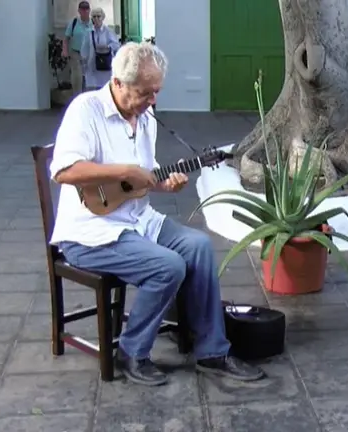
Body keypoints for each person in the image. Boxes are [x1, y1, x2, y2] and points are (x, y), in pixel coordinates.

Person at [48, 41, 266, 386]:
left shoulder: (145, 117)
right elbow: (63, 171)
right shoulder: (85, 110)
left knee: (199, 248)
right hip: (90, 232)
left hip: (137, 222)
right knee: (168, 266)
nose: (152, 101)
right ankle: (132, 351)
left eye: (156, 92)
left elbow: (142, 179)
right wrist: (122, 171)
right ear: (118, 83)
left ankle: (212, 351)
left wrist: (164, 183)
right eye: (144, 92)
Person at [80, 7, 121, 91]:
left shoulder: (108, 31)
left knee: (106, 90)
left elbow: (116, 45)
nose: (96, 19)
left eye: (98, 16)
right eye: (94, 16)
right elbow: (84, 50)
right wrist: (84, 63)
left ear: (103, 17)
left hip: (105, 66)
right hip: (92, 67)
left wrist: (107, 47)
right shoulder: (89, 32)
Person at [62, 1, 93, 95]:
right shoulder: (74, 22)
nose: (85, 11)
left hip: (89, 54)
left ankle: (89, 97)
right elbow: (66, 38)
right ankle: (77, 96)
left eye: (86, 9)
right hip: (76, 53)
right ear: (79, 11)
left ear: (89, 10)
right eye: (82, 9)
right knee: (77, 77)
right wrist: (65, 50)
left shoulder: (93, 23)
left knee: (89, 77)